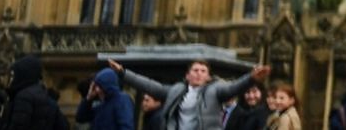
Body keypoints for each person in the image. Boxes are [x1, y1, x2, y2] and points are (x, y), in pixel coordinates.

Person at [108, 59, 271, 130]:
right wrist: (123, 73)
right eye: (195, 70)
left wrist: (250, 78)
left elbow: (233, 88)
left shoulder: (215, 90)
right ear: (187, 75)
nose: (199, 74)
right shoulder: (176, 91)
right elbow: (150, 86)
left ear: (208, 76)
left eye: (203, 71)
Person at [5, 57, 63, 130]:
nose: (12, 79)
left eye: (14, 75)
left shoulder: (24, 96)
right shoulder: (43, 94)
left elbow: (18, 126)